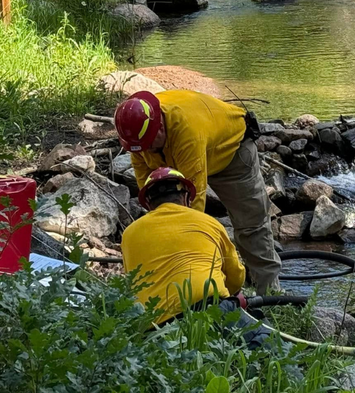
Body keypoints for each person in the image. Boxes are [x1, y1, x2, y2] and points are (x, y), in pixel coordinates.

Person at [114, 89, 281, 293]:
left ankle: (271, 296)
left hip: (231, 152)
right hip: (186, 152)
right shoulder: (139, 135)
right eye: (139, 148)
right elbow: (151, 197)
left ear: (159, 129)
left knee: (251, 225)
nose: (145, 152)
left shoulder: (187, 132)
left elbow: (193, 208)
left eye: (148, 146)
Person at [121, 167, 272, 349]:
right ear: (185, 197)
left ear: (149, 204)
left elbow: (133, 283)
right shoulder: (208, 222)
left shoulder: (129, 234)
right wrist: (230, 294)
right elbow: (236, 276)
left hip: (157, 332)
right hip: (211, 311)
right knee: (268, 344)